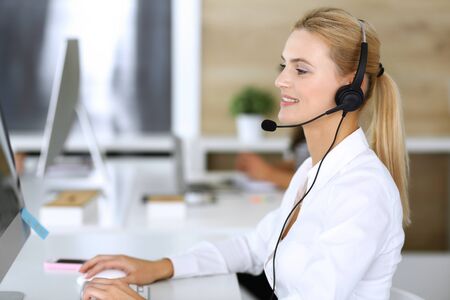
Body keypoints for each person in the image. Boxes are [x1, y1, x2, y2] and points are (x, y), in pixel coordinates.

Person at [79, 7, 410, 300]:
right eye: (284, 65)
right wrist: (162, 267)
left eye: (301, 69)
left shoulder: (362, 192)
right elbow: (252, 247)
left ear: (352, 89)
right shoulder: (313, 170)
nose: (281, 80)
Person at [235, 127, 308, 190]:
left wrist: (268, 173)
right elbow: (302, 164)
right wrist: (262, 168)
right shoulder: (303, 128)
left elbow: (312, 183)